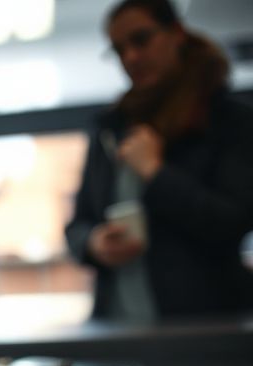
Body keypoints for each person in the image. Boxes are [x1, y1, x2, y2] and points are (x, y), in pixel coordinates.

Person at [65, 0, 253, 321]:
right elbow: (77, 224)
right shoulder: (111, 128)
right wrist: (94, 244)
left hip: (204, 324)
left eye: (141, 40)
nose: (131, 57)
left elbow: (233, 222)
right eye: (119, 50)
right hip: (118, 323)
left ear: (176, 33)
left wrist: (156, 173)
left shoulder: (228, 121)